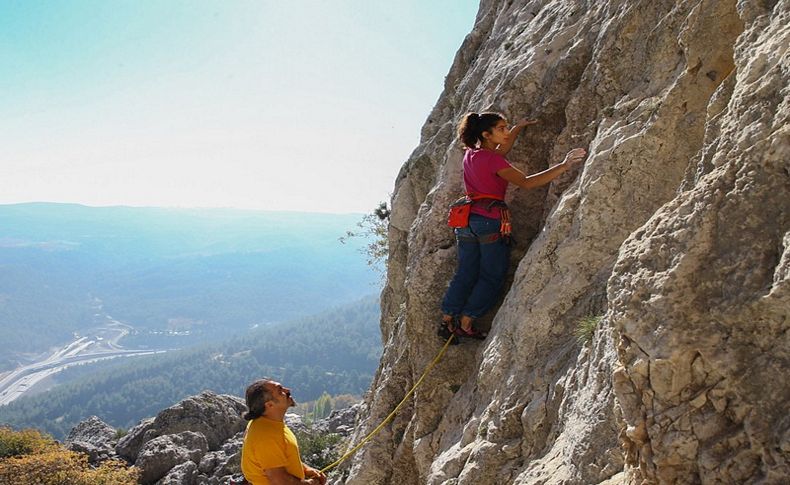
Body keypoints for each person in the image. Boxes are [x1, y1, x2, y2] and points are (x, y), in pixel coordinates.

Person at [439, 112, 587, 340]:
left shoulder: (472, 155)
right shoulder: (494, 160)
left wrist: (517, 128)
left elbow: (500, 152)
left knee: (466, 272)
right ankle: (466, 322)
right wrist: (564, 165)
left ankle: (447, 318)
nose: (506, 133)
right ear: (486, 134)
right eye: (502, 128)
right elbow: (527, 182)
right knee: (492, 275)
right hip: (489, 221)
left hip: (466, 221)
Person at [241, 379, 327, 485]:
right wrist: (310, 483)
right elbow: (279, 480)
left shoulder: (268, 423)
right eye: (280, 390)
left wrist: (306, 469)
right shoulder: (266, 436)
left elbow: (282, 456)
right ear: (270, 405)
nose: (287, 390)